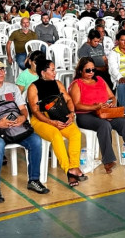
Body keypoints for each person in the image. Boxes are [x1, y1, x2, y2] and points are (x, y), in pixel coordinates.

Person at [0, 59, 49, 203]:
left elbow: (23, 109)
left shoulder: (13, 88)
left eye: (2, 69)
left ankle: (34, 180)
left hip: (16, 127)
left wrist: (22, 118)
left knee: (36, 140)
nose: (1, 72)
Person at [69, 57, 125, 173]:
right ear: (80, 71)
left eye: (93, 70)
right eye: (88, 70)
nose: (91, 73)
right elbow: (77, 105)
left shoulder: (99, 79)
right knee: (104, 125)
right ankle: (108, 161)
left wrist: (112, 104)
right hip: (86, 115)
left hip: (104, 112)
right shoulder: (77, 84)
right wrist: (95, 107)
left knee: (124, 123)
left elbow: (112, 96)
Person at [27, 58, 85, 186]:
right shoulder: (33, 88)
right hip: (41, 120)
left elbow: (69, 100)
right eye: (52, 70)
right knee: (55, 134)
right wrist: (52, 123)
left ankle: (74, 167)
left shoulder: (57, 84)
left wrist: (71, 113)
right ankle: (68, 170)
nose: (55, 73)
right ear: (43, 72)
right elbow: (36, 111)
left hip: (59, 116)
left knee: (75, 133)